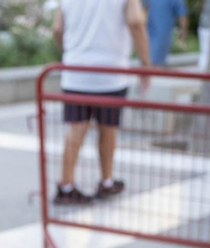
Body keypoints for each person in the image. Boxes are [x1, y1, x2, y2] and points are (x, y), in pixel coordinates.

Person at [52, 0, 153, 204]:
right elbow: (136, 21)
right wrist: (145, 64)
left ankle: (66, 185)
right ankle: (106, 182)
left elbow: (57, 28)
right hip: (111, 73)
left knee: (76, 129)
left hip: (75, 71)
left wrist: (71, 54)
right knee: (108, 128)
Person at [145, 0, 187, 65]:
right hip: (159, 36)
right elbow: (183, 16)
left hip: (158, 37)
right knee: (154, 64)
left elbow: (182, 16)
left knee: (154, 64)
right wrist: (182, 36)